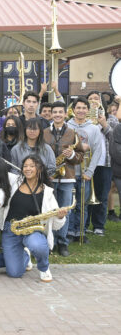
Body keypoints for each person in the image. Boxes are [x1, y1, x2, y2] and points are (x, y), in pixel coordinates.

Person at [0, 153, 67, 282]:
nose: (27, 168)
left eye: (32, 166)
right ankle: (25, 256)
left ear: (40, 169)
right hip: (11, 229)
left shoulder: (47, 192)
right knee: (14, 273)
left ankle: (43, 268)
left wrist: (60, 217)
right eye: (25, 166)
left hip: (32, 229)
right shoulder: (14, 180)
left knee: (37, 245)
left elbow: (56, 225)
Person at [43, 101, 84, 257]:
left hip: (67, 178)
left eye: (61, 112)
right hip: (49, 178)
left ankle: (63, 242)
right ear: (51, 114)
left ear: (65, 114)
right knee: (48, 210)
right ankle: (49, 242)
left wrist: (72, 155)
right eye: (55, 112)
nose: (58, 115)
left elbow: (80, 156)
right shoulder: (45, 132)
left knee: (64, 211)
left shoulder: (73, 133)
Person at [66, 97, 103, 242]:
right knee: (69, 204)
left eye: (83, 108)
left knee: (82, 205)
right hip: (69, 172)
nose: (81, 110)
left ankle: (80, 232)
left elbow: (98, 151)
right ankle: (69, 231)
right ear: (73, 110)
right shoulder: (66, 126)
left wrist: (90, 172)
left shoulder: (93, 128)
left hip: (84, 173)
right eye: (78, 108)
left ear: (88, 110)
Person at [86, 91, 112, 236]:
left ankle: (99, 225)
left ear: (102, 101)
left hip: (104, 163)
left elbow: (114, 138)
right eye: (90, 99)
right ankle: (84, 224)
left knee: (101, 196)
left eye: (96, 99)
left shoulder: (111, 119)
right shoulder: (84, 120)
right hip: (88, 163)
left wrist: (104, 124)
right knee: (87, 194)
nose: (93, 101)